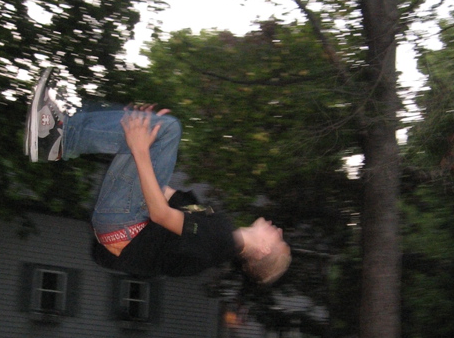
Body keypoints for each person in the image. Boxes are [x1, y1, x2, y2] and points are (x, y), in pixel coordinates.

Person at [24, 67, 291, 285]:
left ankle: (60, 137)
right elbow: (161, 192)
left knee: (167, 129)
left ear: (264, 250)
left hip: (124, 225)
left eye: (278, 238)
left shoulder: (218, 238)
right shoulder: (217, 235)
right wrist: (139, 140)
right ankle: (61, 136)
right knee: (156, 128)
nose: (277, 230)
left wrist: (140, 150)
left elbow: (160, 213)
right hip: (120, 225)